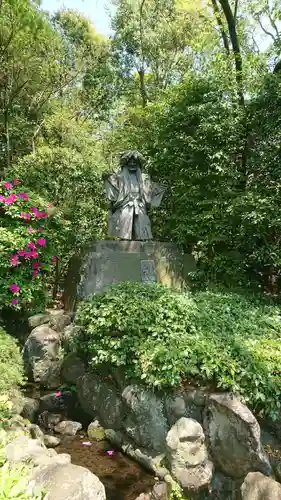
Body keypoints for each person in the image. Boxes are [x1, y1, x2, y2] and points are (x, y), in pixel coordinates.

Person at [103, 150, 165, 240]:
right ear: (126, 163)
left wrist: (160, 188)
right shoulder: (120, 176)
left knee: (142, 224)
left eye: (134, 162)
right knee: (124, 221)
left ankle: (142, 242)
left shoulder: (144, 178)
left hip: (140, 205)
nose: (132, 164)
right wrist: (107, 177)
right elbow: (112, 184)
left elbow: (151, 189)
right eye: (130, 162)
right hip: (126, 204)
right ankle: (124, 243)